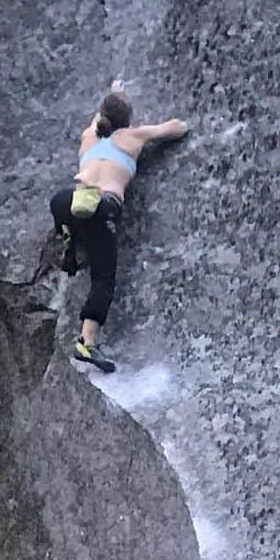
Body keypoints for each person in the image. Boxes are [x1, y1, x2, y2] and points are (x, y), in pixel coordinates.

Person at [50, 90, 187, 373]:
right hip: (101, 206)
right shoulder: (132, 136)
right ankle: (86, 342)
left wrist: (112, 93)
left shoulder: (89, 138)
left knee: (70, 210)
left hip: (68, 201)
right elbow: (174, 129)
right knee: (103, 276)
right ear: (126, 121)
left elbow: (97, 119)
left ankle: (70, 239)